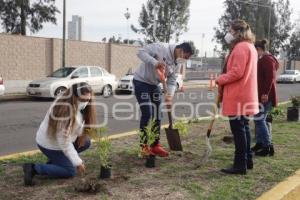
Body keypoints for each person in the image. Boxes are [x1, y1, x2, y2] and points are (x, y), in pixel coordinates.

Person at [23, 82, 96, 186]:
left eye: (88, 99)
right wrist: (78, 163)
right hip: (50, 145)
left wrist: (80, 135)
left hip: (62, 142)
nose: (85, 102)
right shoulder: (64, 111)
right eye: (83, 100)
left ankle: (55, 163)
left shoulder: (79, 106)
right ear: (74, 97)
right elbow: (64, 142)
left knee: (86, 142)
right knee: (70, 171)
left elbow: (79, 123)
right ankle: (33, 168)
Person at [133, 42, 193, 157]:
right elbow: (140, 52)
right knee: (147, 112)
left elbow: (172, 79)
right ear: (180, 50)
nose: (184, 60)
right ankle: (144, 146)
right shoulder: (160, 48)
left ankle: (155, 145)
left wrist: (169, 95)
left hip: (154, 84)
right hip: (141, 81)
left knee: (158, 114)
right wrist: (155, 62)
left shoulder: (178, 63)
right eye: (185, 57)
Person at [216, 19, 259, 175]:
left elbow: (237, 72)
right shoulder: (250, 47)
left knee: (238, 130)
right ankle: (247, 160)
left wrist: (220, 79)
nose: (228, 33)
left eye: (230, 30)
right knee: (244, 128)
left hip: (238, 96)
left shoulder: (241, 48)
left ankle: (240, 164)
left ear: (237, 32)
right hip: (245, 95)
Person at [251, 39, 279, 156]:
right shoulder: (262, 59)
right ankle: (260, 143)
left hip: (265, 96)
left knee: (259, 119)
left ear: (258, 49)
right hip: (261, 95)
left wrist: (265, 93)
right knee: (260, 120)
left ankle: (267, 146)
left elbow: (270, 78)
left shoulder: (267, 59)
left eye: (254, 51)